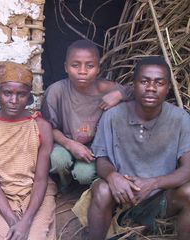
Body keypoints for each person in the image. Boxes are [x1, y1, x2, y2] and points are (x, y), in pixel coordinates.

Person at [72, 56, 190, 239]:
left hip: (160, 198)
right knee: (102, 189)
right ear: (134, 85)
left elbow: (188, 168)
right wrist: (113, 177)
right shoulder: (113, 116)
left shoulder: (180, 119)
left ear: (167, 88)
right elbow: (102, 158)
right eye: (144, 81)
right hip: (120, 197)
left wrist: (153, 184)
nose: (151, 88)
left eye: (159, 83)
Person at [0, 61, 57, 240]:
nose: (13, 100)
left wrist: (26, 221)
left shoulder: (41, 127)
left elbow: (41, 180)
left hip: (35, 193)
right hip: (2, 195)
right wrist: (13, 220)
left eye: (21, 95)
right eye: (7, 93)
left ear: (29, 96)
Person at [41, 39, 131, 191]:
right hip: (64, 142)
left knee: (84, 174)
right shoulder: (56, 91)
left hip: (93, 147)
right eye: (75, 65)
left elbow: (137, 92)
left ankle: (81, 186)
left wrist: (120, 93)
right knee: (58, 160)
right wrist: (70, 144)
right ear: (66, 67)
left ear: (98, 69)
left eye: (90, 66)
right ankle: (64, 183)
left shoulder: (106, 88)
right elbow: (47, 126)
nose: (82, 71)